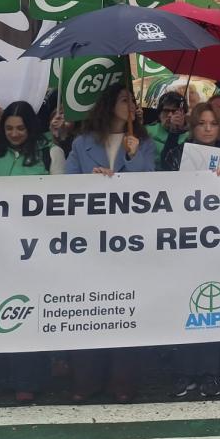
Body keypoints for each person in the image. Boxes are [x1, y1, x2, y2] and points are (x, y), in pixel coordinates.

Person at [64, 84, 154, 403]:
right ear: (108, 105)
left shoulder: (143, 143)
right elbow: (67, 186)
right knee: (90, 306)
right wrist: (93, 181)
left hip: (129, 238)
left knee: (124, 307)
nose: (131, 104)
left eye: (133, 100)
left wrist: (132, 157)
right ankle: (86, 380)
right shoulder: (81, 143)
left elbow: (152, 186)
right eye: (124, 99)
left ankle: (122, 381)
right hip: (90, 239)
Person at [160, 102, 220, 399]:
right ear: (193, 126)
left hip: (217, 242)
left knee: (211, 309)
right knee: (184, 306)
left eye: (213, 123)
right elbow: (163, 188)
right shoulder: (177, 154)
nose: (209, 128)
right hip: (184, 240)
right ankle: (184, 371)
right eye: (202, 123)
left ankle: (210, 372)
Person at [0, 102, 53, 403]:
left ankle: (29, 379)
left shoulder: (50, 153)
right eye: (9, 128)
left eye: (20, 128)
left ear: (31, 128)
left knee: (28, 311)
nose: (14, 134)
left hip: (37, 246)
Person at [146, 92, 187, 158]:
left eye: (174, 111)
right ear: (159, 114)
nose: (170, 115)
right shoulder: (147, 131)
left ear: (183, 115)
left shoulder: (190, 137)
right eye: (166, 111)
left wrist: (175, 130)